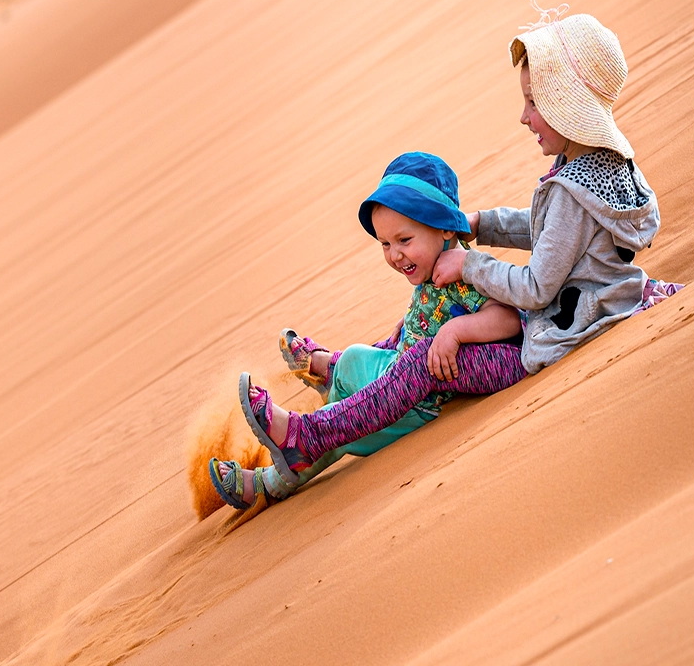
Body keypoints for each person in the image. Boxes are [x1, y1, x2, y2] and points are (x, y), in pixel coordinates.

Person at [224, 0, 681, 508]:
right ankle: (306, 436)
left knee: (420, 365)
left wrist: (471, 261)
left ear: (563, 108)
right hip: (589, 309)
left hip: (551, 337)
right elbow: (544, 230)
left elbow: (535, 290)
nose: (524, 117)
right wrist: (479, 224)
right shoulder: (600, 171)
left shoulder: (572, 192)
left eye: (534, 102)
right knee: (409, 355)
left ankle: (307, 436)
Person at [208, 152, 523, 509]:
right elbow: (432, 309)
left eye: (404, 240)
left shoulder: (469, 268)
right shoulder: (431, 261)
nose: (395, 255)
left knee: (343, 429)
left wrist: (456, 332)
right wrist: (408, 325)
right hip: (401, 374)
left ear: (446, 228)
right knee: (357, 358)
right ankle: (334, 374)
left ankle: (268, 484)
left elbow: (509, 318)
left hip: (417, 405)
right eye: (386, 245)